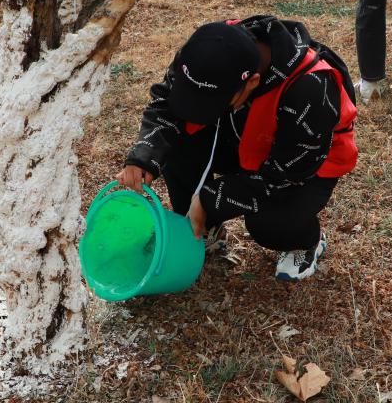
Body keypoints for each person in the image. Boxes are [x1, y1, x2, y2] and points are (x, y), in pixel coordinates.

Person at [117, 17, 358, 280]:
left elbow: (286, 176)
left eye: (213, 104)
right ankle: (202, 228)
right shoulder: (205, 50)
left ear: (252, 82)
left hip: (302, 166)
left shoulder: (310, 88)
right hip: (243, 137)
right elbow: (166, 104)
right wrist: (144, 155)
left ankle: (305, 241)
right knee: (174, 139)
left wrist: (212, 197)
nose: (200, 111)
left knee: (269, 223)